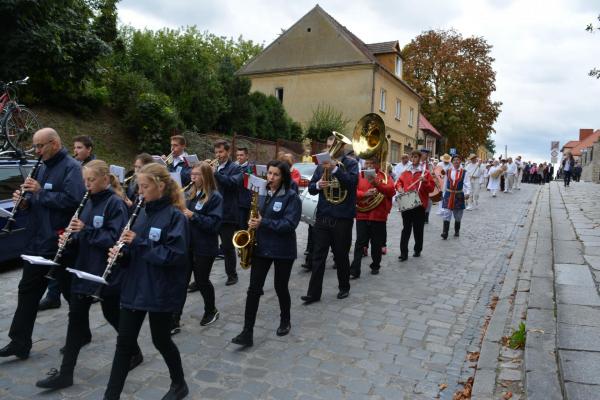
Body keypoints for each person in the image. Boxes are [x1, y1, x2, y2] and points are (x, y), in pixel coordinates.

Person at [35, 160, 143, 389]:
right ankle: (65, 373)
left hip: (106, 270)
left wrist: (85, 231)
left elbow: (114, 238)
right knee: (75, 319)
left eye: (91, 180)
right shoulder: (86, 202)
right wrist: (69, 238)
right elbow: (81, 235)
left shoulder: (115, 204)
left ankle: (134, 350)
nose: (87, 185)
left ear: (105, 179)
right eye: (85, 180)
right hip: (82, 268)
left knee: (111, 314)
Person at [103, 163, 189, 400]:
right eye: (138, 186)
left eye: (144, 186)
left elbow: (174, 256)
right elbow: (133, 252)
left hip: (159, 289)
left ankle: (179, 383)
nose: (139, 192)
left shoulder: (175, 217)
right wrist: (120, 255)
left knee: (161, 340)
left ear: (160, 186)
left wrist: (139, 243)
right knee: (124, 344)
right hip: (134, 287)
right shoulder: (139, 212)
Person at [0, 128, 86, 360]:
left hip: (59, 242)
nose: (36, 151)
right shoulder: (42, 166)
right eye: (35, 146)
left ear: (54, 143)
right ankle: (19, 342)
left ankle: (82, 333)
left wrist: (39, 193)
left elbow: (74, 201)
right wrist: (25, 201)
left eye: (40, 146)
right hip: (37, 241)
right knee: (27, 290)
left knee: (71, 293)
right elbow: (36, 202)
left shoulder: (72, 167)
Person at [232, 160, 301, 346]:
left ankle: (285, 320)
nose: (271, 178)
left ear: (283, 177)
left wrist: (264, 223)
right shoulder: (261, 193)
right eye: (269, 173)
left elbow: (290, 225)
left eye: (276, 174)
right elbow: (255, 215)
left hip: (283, 250)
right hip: (261, 247)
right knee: (253, 290)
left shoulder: (292, 197)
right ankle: (247, 332)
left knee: (281, 287)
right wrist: (251, 223)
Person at [39, 136, 98, 311]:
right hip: (66, 221)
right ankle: (53, 295)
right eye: (75, 147)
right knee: (59, 260)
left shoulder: (92, 166)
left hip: (81, 217)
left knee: (71, 262)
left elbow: (75, 196)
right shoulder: (71, 165)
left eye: (80, 147)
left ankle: (80, 295)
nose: (76, 150)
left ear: (89, 149)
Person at [301, 139, 358, 303]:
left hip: (342, 218)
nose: (333, 146)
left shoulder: (351, 164)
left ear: (343, 146)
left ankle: (344, 287)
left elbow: (352, 183)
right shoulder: (321, 165)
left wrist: (335, 169)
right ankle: (313, 293)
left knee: (341, 255)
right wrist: (318, 185)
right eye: (330, 143)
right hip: (323, 216)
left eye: (336, 143)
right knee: (318, 256)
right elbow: (311, 188)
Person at [179, 162, 223, 329]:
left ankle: (211, 310)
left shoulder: (215, 197)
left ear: (205, 177)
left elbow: (214, 224)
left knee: (202, 280)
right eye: (192, 174)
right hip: (188, 244)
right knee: (182, 281)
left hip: (205, 246)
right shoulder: (190, 193)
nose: (193, 177)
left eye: (197, 175)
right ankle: (175, 318)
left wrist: (193, 216)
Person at [349, 157, 395, 278]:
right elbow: (352, 191)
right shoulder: (359, 176)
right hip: (362, 213)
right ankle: (354, 270)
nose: (368, 165)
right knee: (359, 243)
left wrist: (378, 184)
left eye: (372, 163)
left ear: (377, 164)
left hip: (378, 215)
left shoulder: (384, 177)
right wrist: (364, 194)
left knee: (376, 244)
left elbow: (391, 191)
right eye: (367, 163)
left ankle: (375, 265)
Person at [213, 140, 243, 286]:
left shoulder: (235, 168)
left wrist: (215, 174)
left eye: (221, 152)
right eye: (216, 152)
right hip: (213, 212)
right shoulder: (216, 167)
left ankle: (232, 275)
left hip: (227, 213)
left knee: (227, 246)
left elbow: (232, 183)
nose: (218, 155)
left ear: (228, 152)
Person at [395, 150, 435, 261]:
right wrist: (399, 187)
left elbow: (431, 188)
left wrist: (426, 181)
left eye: (415, 157)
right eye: (412, 156)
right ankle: (403, 253)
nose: (413, 159)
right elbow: (398, 182)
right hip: (407, 201)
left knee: (418, 229)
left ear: (420, 158)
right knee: (406, 228)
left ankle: (417, 249)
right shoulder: (405, 171)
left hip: (419, 204)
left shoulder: (425, 172)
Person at [441, 155, 471, 239]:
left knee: (458, 214)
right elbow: (445, 183)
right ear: (452, 162)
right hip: (448, 194)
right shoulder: (448, 171)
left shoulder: (464, 172)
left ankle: (457, 230)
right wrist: (443, 194)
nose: (456, 161)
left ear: (460, 161)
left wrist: (467, 193)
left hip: (458, 195)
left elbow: (467, 183)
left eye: (458, 160)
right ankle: (445, 232)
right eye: (454, 160)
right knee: (446, 213)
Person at [236, 147, 254, 230]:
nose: (239, 157)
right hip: (235, 202)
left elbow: (241, 180)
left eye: (241, 155)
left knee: (242, 225)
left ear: (247, 156)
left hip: (243, 202)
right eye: (237, 155)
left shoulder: (250, 168)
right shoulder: (235, 166)